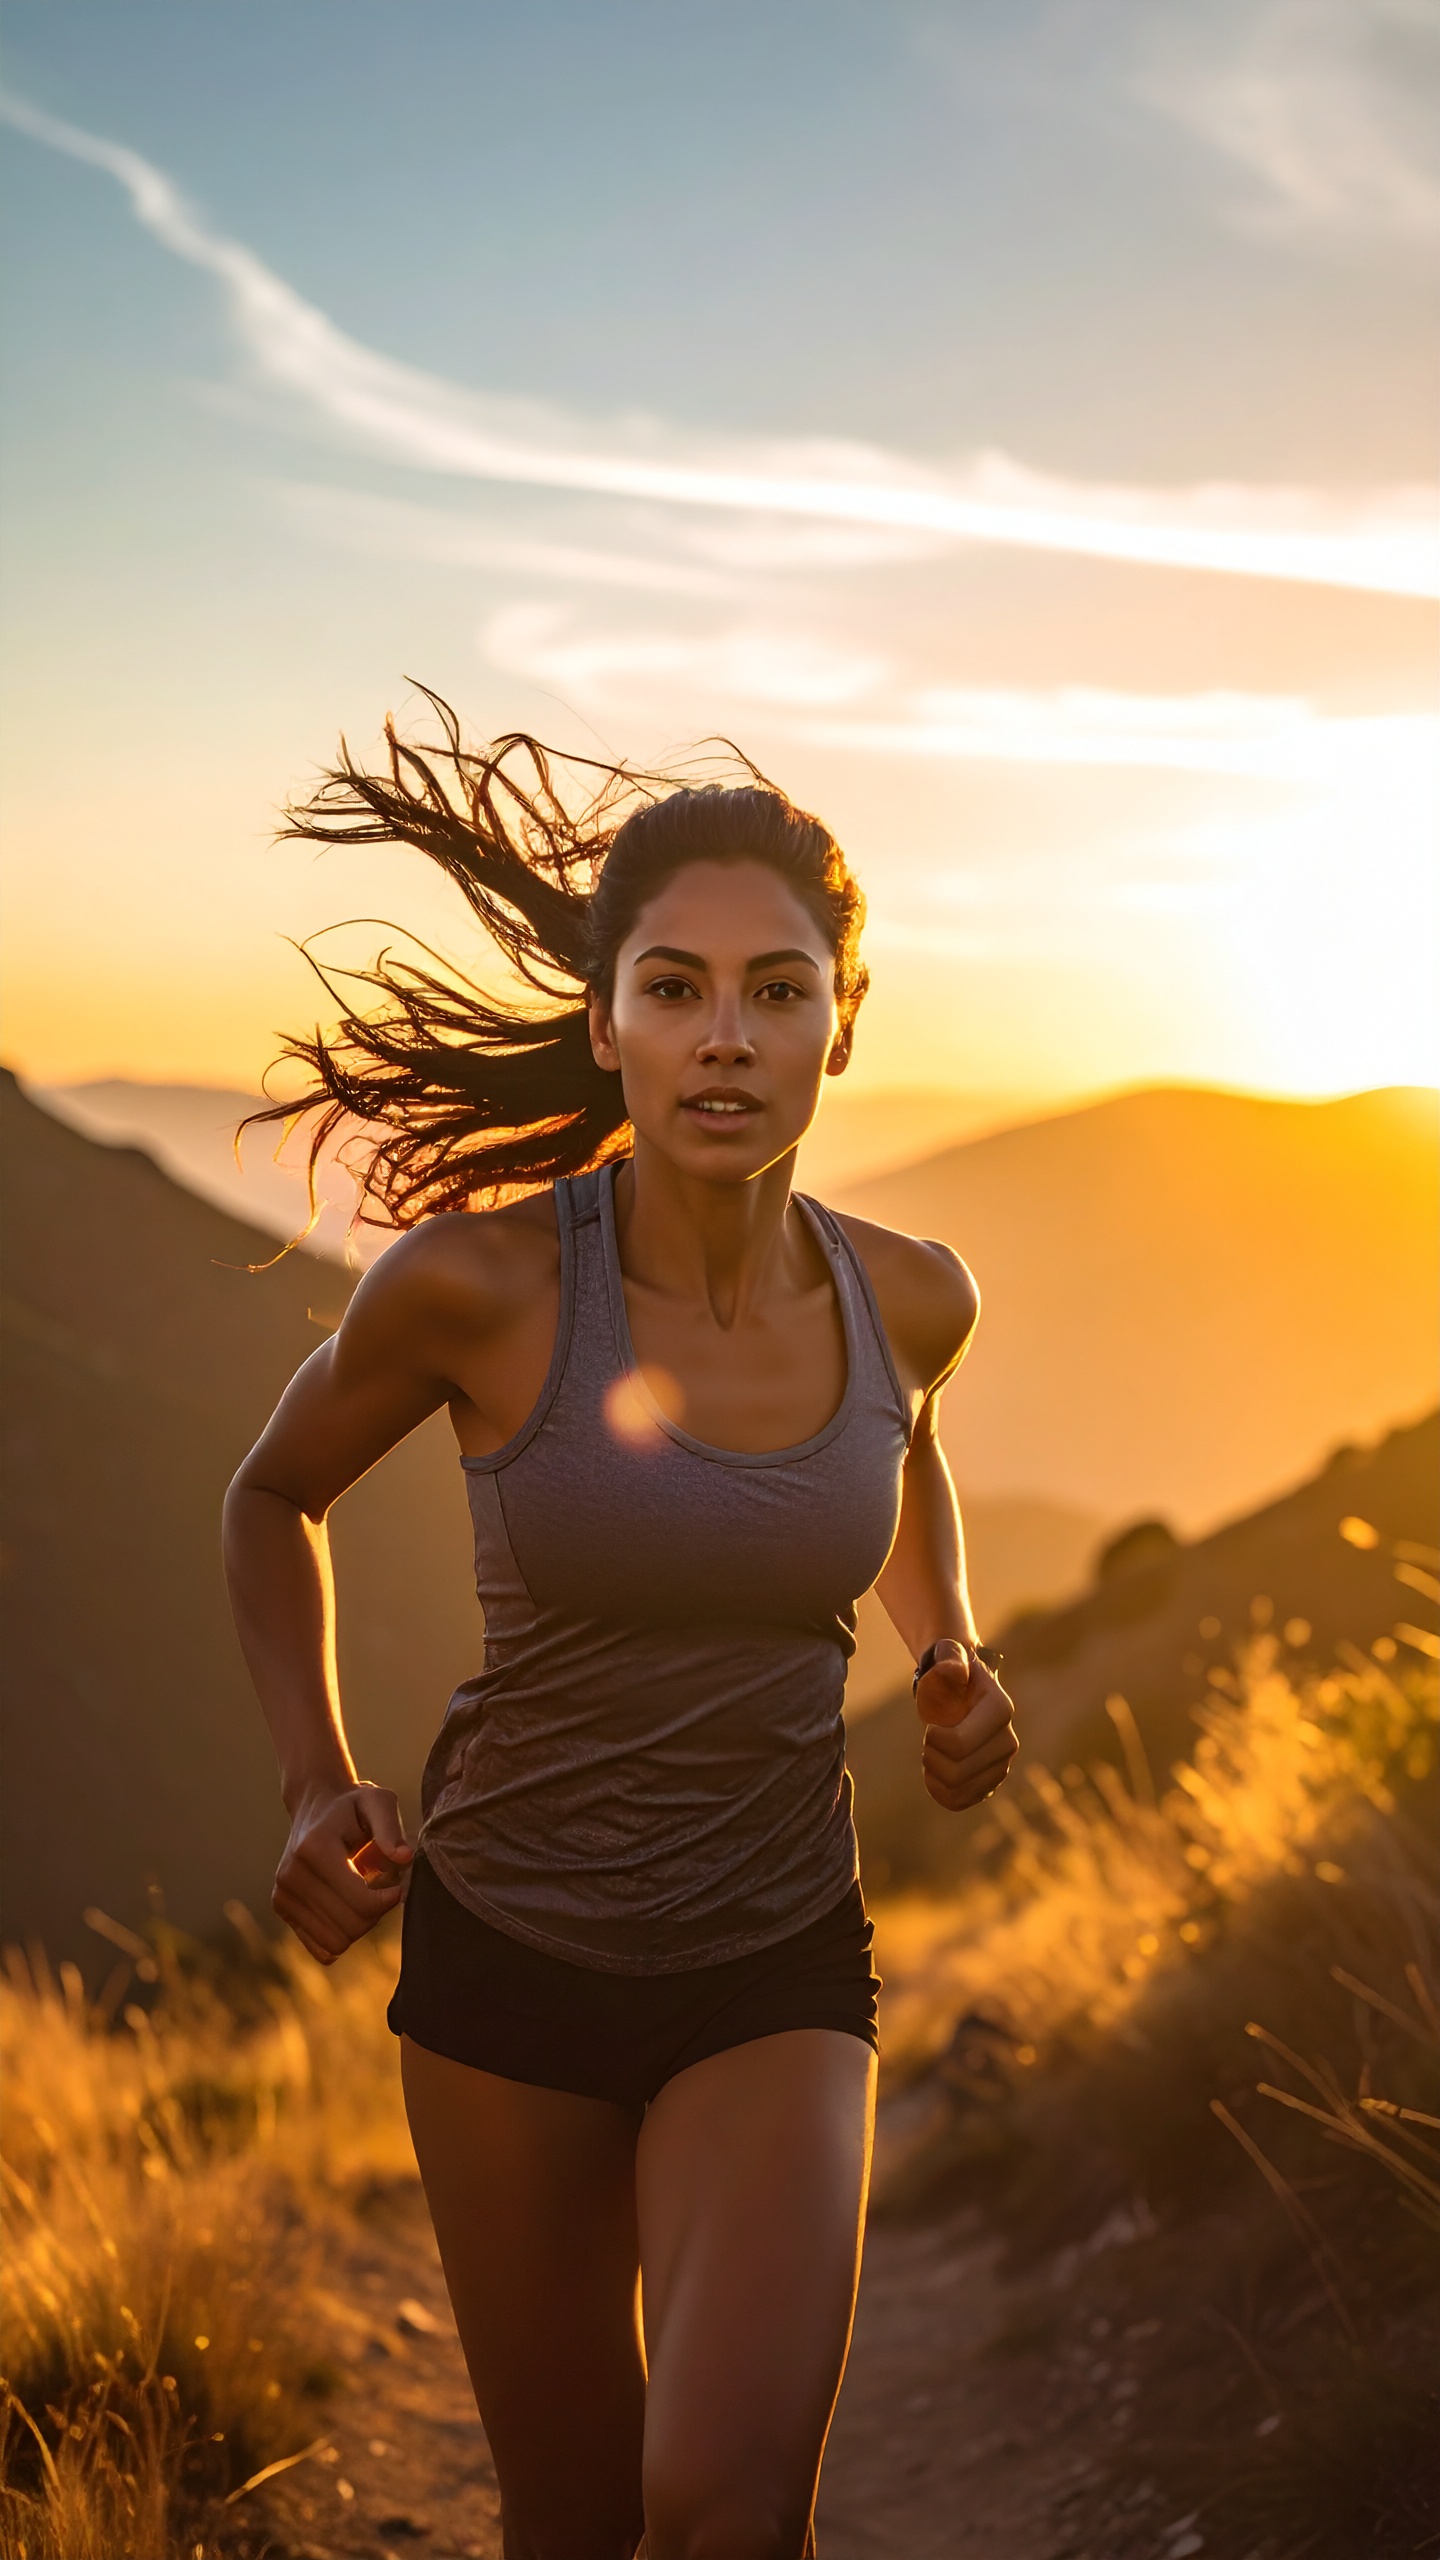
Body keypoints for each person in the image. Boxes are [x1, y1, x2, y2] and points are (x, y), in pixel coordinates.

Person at [223, 701, 1019, 2560]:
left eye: (776, 989)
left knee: (726, 2509)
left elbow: (903, 1467)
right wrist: (308, 1782)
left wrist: (950, 1649)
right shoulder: (483, 1288)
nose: (726, 1035)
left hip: (773, 1960)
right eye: (675, 988)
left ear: (844, 1017)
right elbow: (272, 1498)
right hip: (509, 1968)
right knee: (575, 2520)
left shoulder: (912, 1297)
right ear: (610, 1022)